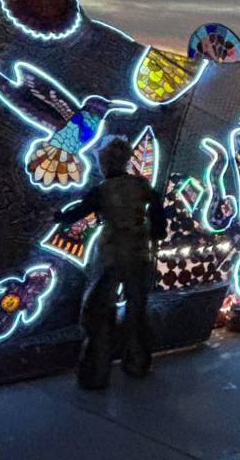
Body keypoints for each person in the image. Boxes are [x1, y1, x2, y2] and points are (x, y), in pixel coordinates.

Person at [57, 137, 167, 389]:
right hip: (139, 253)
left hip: (110, 254)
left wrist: (59, 217)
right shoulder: (141, 185)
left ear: (104, 161)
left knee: (97, 312)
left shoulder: (103, 190)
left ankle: (95, 373)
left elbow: (78, 212)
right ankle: (138, 362)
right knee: (136, 309)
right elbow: (157, 207)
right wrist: (156, 230)